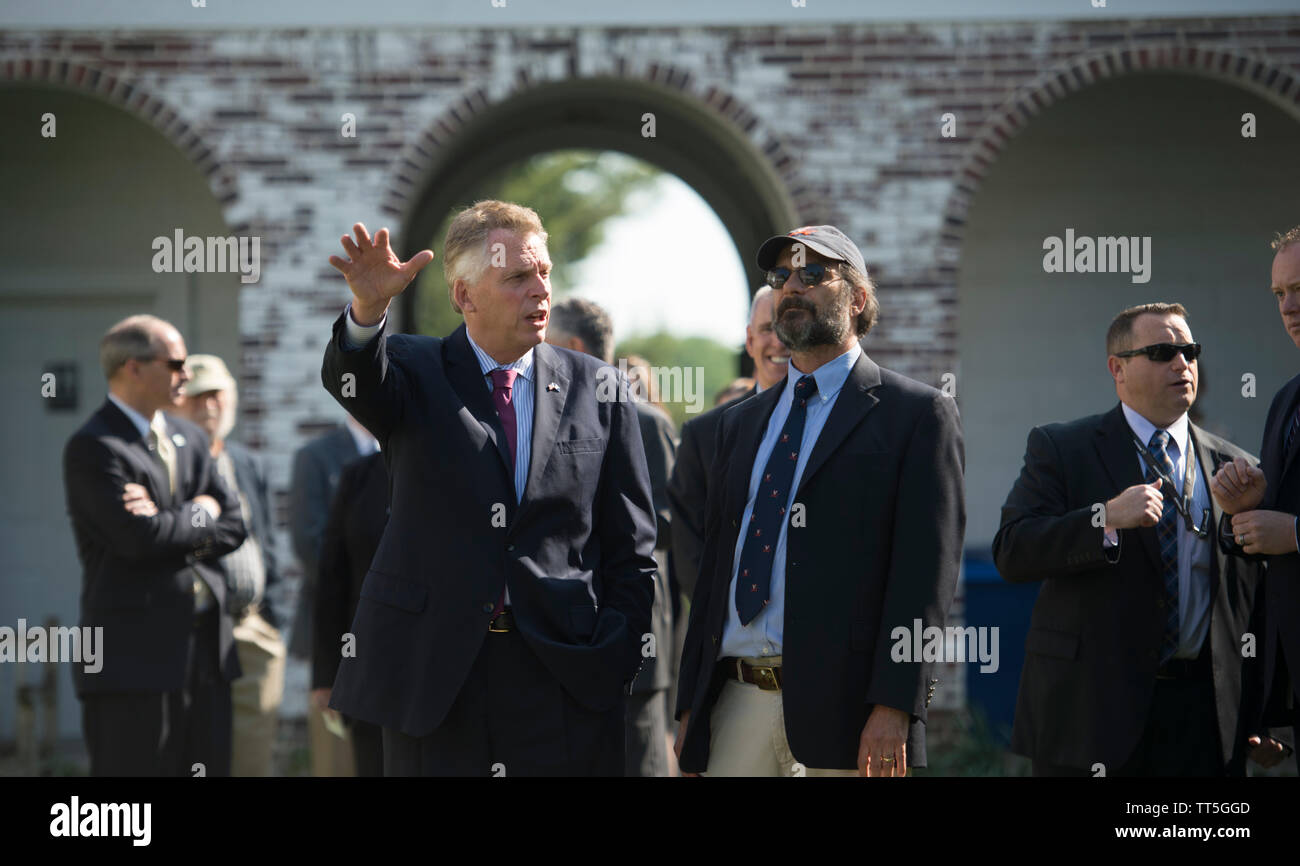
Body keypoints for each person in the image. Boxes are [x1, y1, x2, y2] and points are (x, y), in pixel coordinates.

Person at [321, 201, 657, 776]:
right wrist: (368, 310)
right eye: (518, 278)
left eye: (545, 273)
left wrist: (614, 653)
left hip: (564, 677)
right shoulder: (410, 368)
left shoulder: (599, 388)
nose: (540, 291)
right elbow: (354, 379)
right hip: (434, 680)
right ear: (465, 296)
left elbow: (633, 548)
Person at [674, 225, 964, 776]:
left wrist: (895, 706)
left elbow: (925, 577)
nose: (791, 288)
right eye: (781, 277)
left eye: (812, 274)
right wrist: (691, 704)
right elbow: (715, 573)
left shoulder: (916, 415)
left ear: (856, 299)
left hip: (851, 717)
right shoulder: (738, 425)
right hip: (737, 702)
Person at [994, 302, 1266, 777]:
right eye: (1163, 351)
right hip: (1091, 716)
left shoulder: (1235, 467)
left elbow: (1259, 596)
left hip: (1204, 718)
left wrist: (1273, 717)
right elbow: (1013, 551)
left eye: (1189, 351)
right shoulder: (1062, 448)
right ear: (1117, 369)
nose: (1182, 363)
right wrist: (1104, 520)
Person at [63, 315, 246, 776]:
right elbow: (137, 541)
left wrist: (174, 521)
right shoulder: (94, 448)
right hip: (132, 662)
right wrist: (199, 510)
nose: (186, 374)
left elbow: (234, 526)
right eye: (176, 363)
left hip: (206, 651)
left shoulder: (192, 439)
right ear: (134, 368)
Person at [547, 297, 677, 777]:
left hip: (633, 633)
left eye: (549, 344)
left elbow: (667, 522)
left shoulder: (646, 421)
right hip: (565, 635)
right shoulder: (546, 415)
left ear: (574, 347)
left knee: (637, 762)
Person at [1212, 226, 1300, 771]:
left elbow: (1288, 534)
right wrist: (1242, 510)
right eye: (1279, 294)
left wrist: (1293, 533)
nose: (1289, 307)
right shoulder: (1286, 399)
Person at [178, 354, 287, 777]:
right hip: (200, 629)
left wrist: (273, 619)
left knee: (252, 757)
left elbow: (268, 543)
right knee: (199, 751)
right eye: (197, 396)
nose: (209, 406)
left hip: (254, 629)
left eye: (217, 395)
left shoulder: (248, 461)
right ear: (177, 402)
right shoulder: (170, 462)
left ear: (233, 400)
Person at [288, 413, 376, 776]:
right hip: (339, 624)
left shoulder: (412, 450)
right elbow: (311, 544)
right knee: (336, 759)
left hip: (393, 638)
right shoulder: (316, 455)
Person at [312, 450, 389, 776]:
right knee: (373, 761)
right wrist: (327, 674)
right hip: (369, 661)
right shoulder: (358, 476)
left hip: (440, 661)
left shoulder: (454, 465)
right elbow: (333, 577)